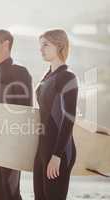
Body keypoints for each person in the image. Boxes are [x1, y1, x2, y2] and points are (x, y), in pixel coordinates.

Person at [0, 29, 33, 200]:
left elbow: (26, 112)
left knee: (10, 192)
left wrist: (19, 146)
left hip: (11, 146)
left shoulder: (20, 72)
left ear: (5, 44)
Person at [33, 29, 78, 200]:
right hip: (43, 149)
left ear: (59, 46)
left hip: (59, 152)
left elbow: (69, 118)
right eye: (40, 45)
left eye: (46, 45)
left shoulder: (67, 77)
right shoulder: (47, 76)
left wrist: (57, 155)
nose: (41, 49)